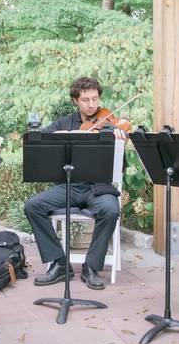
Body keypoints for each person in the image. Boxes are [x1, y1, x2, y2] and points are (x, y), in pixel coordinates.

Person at [24, 76, 125, 291]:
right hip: (69, 187)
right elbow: (40, 140)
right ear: (75, 101)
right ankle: (60, 263)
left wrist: (119, 143)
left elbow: (121, 166)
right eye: (86, 100)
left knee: (110, 209)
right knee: (33, 206)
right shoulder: (64, 122)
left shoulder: (109, 124)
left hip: (98, 188)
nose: (91, 105)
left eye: (95, 99)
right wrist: (58, 136)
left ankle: (91, 266)